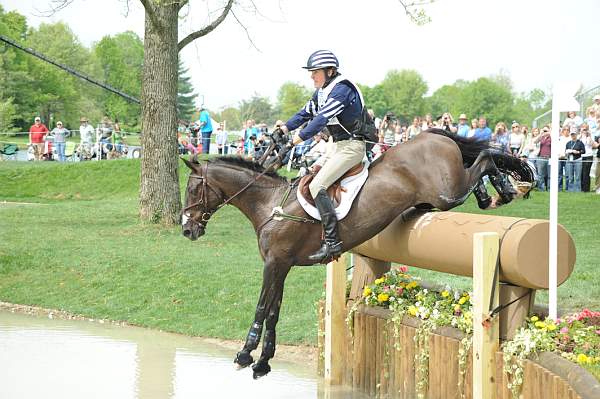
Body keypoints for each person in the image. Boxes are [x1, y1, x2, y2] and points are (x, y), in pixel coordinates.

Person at [279, 50, 374, 262]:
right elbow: (304, 114)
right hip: (337, 147)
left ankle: (333, 243)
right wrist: (284, 129)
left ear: (330, 71)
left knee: (316, 186)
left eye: (315, 72)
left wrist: (296, 139)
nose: (311, 76)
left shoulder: (342, 89)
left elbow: (321, 118)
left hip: (352, 147)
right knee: (307, 174)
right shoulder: (322, 91)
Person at [533, 126, 551, 191]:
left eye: (546, 130)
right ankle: (541, 188)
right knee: (540, 174)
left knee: (550, 174)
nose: (545, 132)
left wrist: (550, 133)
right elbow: (534, 141)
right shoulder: (541, 137)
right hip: (541, 157)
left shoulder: (551, 137)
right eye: (544, 130)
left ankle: (550, 188)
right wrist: (541, 134)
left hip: (550, 158)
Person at [579, 125, 594, 191]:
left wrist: (589, 135)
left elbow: (590, 143)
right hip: (581, 156)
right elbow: (577, 142)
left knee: (586, 173)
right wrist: (580, 134)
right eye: (583, 129)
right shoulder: (580, 137)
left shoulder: (589, 136)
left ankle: (586, 188)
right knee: (581, 173)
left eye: (585, 129)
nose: (584, 131)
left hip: (588, 156)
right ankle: (581, 188)